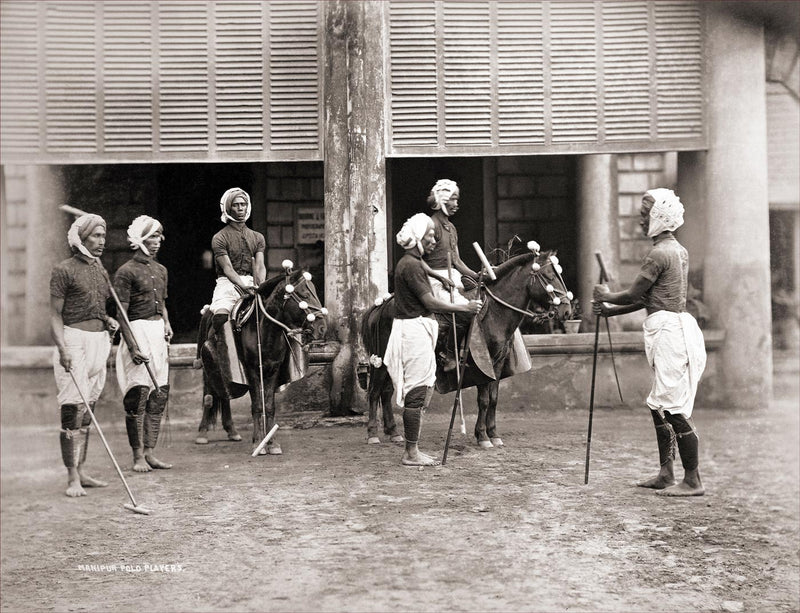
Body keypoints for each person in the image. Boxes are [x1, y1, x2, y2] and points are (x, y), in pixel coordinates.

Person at [593, 188, 707, 497]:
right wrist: (611, 309)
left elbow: (633, 294)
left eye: (646, 215)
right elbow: (648, 298)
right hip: (669, 328)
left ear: (660, 217)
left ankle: (693, 480)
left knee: (672, 408)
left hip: (670, 332)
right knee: (658, 406)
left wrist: (607, 297)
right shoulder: (676, 250)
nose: (641, 221)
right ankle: (666, 473)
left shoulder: (659, 253)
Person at [383, 213, 483, 466]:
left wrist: (439, 276)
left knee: (423, 387)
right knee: (417, 392)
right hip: (413, 330)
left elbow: (423, 267)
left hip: (417, 328)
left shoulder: (411, 261)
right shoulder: (412, 266)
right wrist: (465, 308)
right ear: (417, 239)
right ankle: (410, 453)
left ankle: (413, 449)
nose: (433, 239)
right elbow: (429, 301)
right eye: (428, 236)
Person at [50, 213, 119, 497]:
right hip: (73, 342)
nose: (102, 241)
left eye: (104, 236)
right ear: (81, 238)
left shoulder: (101, 271)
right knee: (72, 409)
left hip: (99, 342)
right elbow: (54, 315)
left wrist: (108, 321)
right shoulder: (63, 269)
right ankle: (71, 478)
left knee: (88, 409)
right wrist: (62, 348)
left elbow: (97, 307)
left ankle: (83, 470)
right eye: (96, 236)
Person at [113, 215, 173, 472]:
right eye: (151, 236)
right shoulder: (125, 272)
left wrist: (167, 324)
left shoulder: (161, 270)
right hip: (137, 332)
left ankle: (150, 452)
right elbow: (121, 313)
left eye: (159, 235)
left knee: (158, 395)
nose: (157, 241)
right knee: (137, 396)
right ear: (139, 239)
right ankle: (137, 456)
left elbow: (164, 304)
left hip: (157, 332)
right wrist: (132, 345)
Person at [421, 179, 481, 371]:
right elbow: (417, 259)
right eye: (453, 199)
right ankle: (448, 354)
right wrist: (440, 278)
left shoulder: (451, 228)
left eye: (457, 199)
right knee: (465, 310)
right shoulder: (431, 225)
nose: (456, 204)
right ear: (442, 200)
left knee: (480, 302)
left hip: (452, 277)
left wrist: (477, 275)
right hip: (433, 280)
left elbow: (457, 261)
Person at [206, 187, 267, 341]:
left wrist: (260, 285)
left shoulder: (257, 237)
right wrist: (242, 286)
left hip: (252, 284)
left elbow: (260, 266)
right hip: (228, 285)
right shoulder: (219, 238)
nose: (240, 208)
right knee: (220, 317)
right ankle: (215, 352)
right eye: (235, 205)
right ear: (228, 208)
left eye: (243, 204)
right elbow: (227, 268)